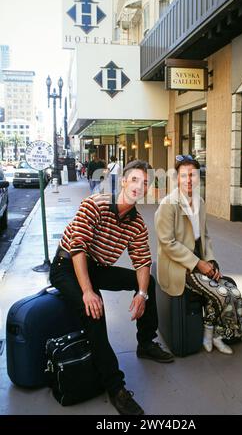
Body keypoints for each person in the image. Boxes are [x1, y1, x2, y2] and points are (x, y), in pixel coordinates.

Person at [49, 159, 174, 416]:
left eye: (146, 183)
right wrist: (87, 291)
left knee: (147, 282)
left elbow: (142, 261)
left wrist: (141, 294)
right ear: (124, 181)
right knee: (95, 311)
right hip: (67, 264)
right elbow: (78, 248)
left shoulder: (137, 224)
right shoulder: (95, 204)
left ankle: (146, 342)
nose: (140, 186)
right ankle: (115, 387)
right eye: (135, 180)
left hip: (98, 267)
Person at [154, 155, 242, 355]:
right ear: (177, 178)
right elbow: (167, 244)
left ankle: (212, 334)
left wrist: (210, 260)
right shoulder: (168, 205)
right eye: (184, 175)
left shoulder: (200, 202)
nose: (189, 180)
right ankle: (217, 334)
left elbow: (204, 236)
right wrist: (198, 264)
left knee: (234, 293)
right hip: (178, 265)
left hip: (200, 259)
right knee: (222, 295)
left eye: (193, 175)